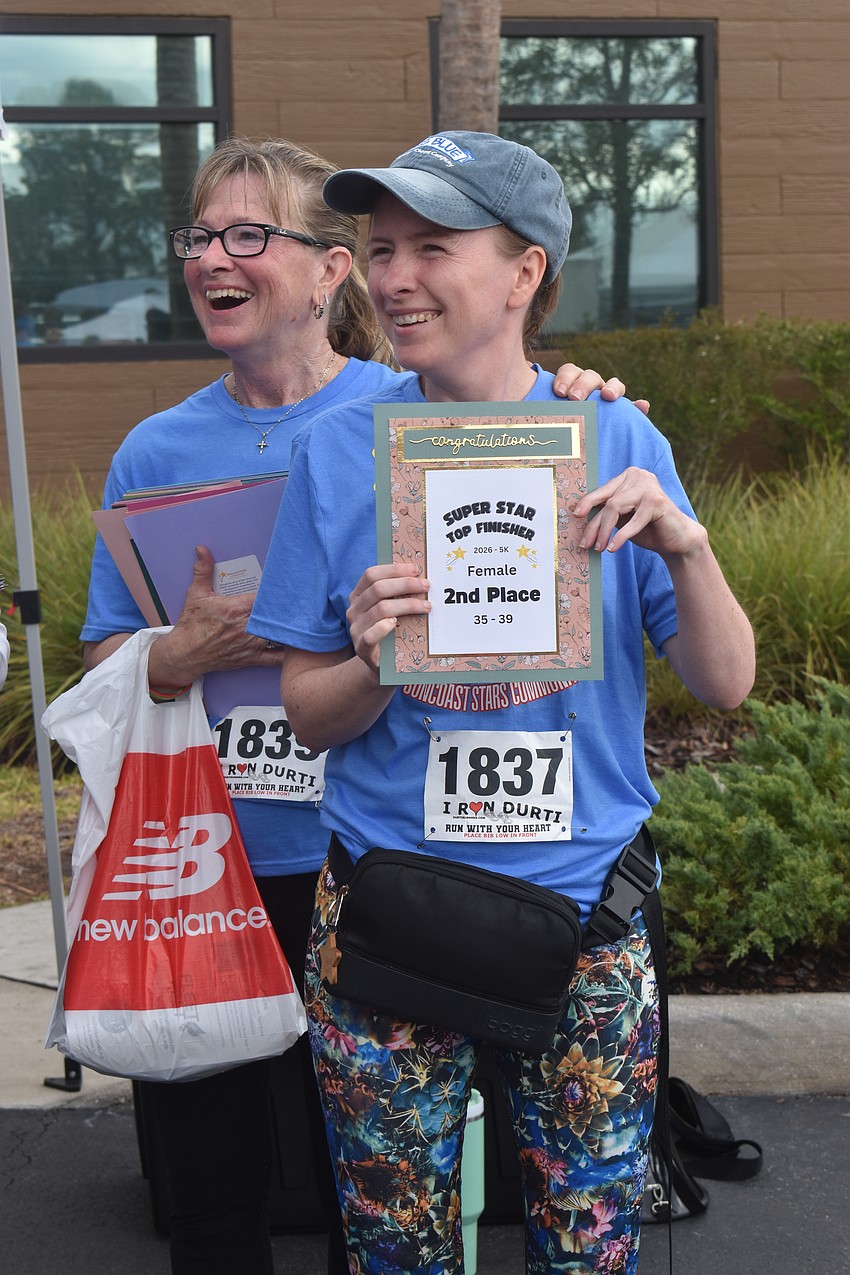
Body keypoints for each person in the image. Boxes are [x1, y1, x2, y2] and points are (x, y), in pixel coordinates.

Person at [79, 134, 633, 1275]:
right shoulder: (155, 446)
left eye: (248, 235)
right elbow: (105, 660)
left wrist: (580, 395)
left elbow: (520, 400)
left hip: (368, 854)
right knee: (212, 1163)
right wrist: (172, 654)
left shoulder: (421, 408)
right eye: (199, 237)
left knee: (372, 1181)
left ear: (331, 273)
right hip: (214, 844)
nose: (212, 259)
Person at [248, 130, 756, 1274]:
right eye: (379, 248)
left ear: (525, 271)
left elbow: (725, 681)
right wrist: (378, 655)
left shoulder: (614, 436)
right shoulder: (340, 455)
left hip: (582, 912)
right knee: (397, 1250)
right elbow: (303, 714)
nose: (391, 278)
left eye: (432, 246)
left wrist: (687, 546)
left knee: (588, 1248)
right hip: (389, 903)